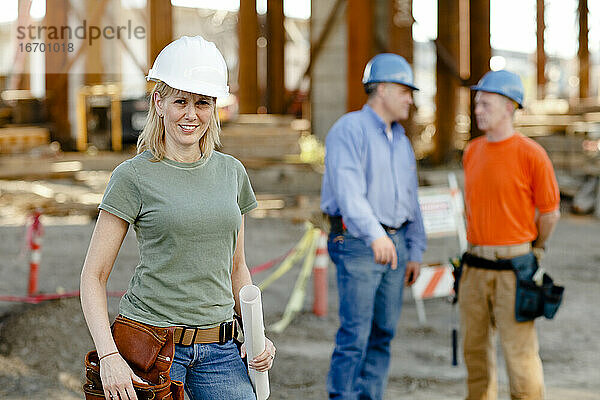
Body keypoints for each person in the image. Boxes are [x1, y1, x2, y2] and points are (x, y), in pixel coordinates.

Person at [80, 35, 275, 400]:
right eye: (180, 101)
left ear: (214, 106)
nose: (191, 114)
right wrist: (108, 355)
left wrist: (256, 335)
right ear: (159, 102)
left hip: (220, 348)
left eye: (202, 102)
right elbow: (93, 275)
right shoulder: (133, 176)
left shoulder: (232, 173)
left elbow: (237, 268)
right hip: (150, 345)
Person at [321, 53, 427, 400]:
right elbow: (349, 192)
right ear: (380, 89)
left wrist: (415, 247)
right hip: (359, 242)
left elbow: (412, 199)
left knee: (384, 333)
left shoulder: (401, 140)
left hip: (394, 243)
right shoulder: (348, 131)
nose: (410, 98)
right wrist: (376, 235)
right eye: (404, 90)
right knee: (355, 336)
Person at [460, 70, 560, 400]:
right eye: (476, 103)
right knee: (474, 353)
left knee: (520, 358)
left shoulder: (532, 155)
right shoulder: (471, 151)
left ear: (509, 106)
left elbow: (549, 214)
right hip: (474, 267)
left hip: (514, 268)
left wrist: (534, 248)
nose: (477, 109)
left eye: (485, 103)